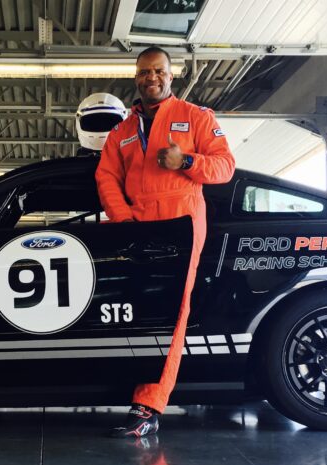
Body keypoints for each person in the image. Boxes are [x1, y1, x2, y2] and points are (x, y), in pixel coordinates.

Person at [96, 46, 236, 437]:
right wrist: (123, 220)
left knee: (172, 315)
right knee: (137, 312)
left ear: (171, 76)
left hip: (180, 223)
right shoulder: (121, 132)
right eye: (144, 72)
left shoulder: (196, 117)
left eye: (158, 71)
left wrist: (186, 162)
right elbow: (105, 177)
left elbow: (225, 166)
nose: (150, 77)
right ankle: (136, 391)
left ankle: (148, 406)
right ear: (136, 77)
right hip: (135, 225)